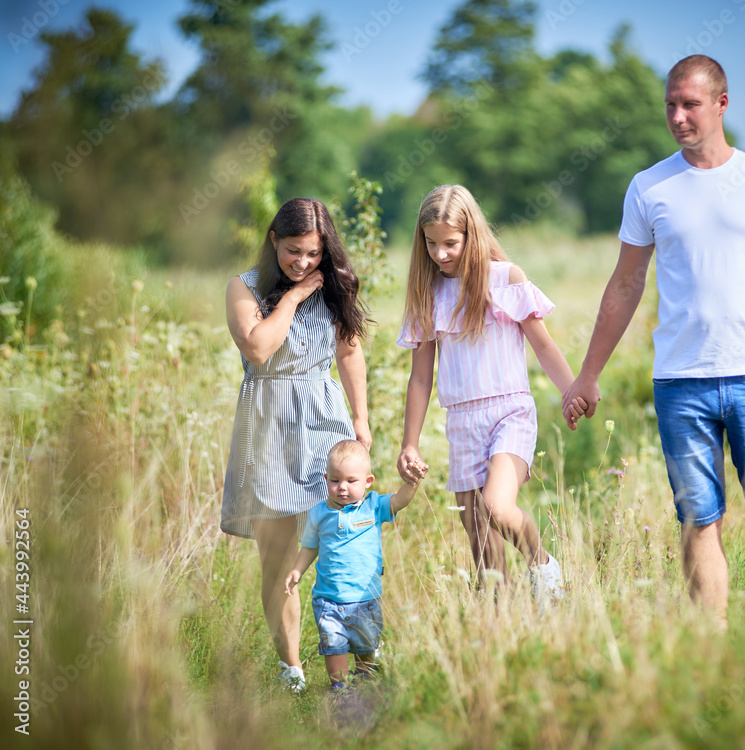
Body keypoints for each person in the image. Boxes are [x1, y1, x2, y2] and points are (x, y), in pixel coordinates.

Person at [561, 55, 745, 646]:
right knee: (697, 518)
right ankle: (710, 656)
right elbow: (625, 284)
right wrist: (588, 374)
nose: (677, 116)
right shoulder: (649, 187)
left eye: (689, 104)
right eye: (670, 104)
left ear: (721, 104)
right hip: (680, 382)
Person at [396, 184, 585, 599]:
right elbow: (421, 378)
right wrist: (410, 443)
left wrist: (572, 392)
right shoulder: (428, 296)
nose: (440, 254)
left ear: (471, 235)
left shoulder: (506, 279)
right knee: (482, 550)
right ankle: (499, 630)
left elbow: (544, 345)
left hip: (509, 412)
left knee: (498, 508)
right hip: (462, 420)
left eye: (450, 243)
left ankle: (544, 568)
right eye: (431, 244)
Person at [221, 198, 371, 692]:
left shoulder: (334, 287)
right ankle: (292, 670)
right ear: (273, 242)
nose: (303, 263)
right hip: (267, 428)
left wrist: (362, 422)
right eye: (293, 252)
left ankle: (354, 657)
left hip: (324, 423)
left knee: (341, 544)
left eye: (312, 253)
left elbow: (349, 353)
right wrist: (293, 295)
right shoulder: (244, 289)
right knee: (279, 560)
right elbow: (260, 348)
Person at [284, 440, 427, 691]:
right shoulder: (318, 513)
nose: (342, 488)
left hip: (365, 599)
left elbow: (400, 500)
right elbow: (310, 546)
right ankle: (340, 693)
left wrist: (411, 483)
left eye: (351, 481)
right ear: (326, 478)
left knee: (366, 649)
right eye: (335, 480)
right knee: (333, 650)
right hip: (329, 599)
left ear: (368, 481)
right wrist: (297, 570)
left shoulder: (374, 506)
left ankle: (365, 686)